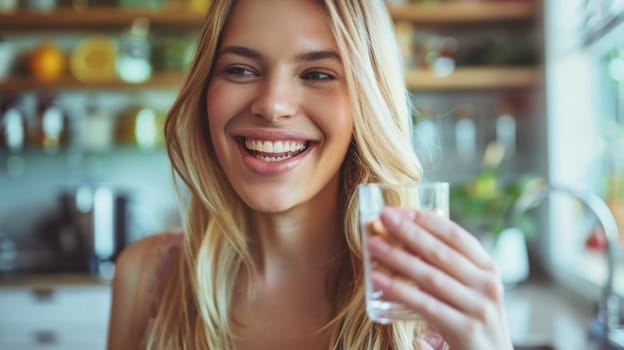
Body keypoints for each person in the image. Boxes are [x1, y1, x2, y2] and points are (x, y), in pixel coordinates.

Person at [107, 0, 513, 349]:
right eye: (241, 70)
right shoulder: (143, 277)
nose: (272, 105)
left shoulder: (428, 303)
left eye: (317, 74)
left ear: (368, 104)